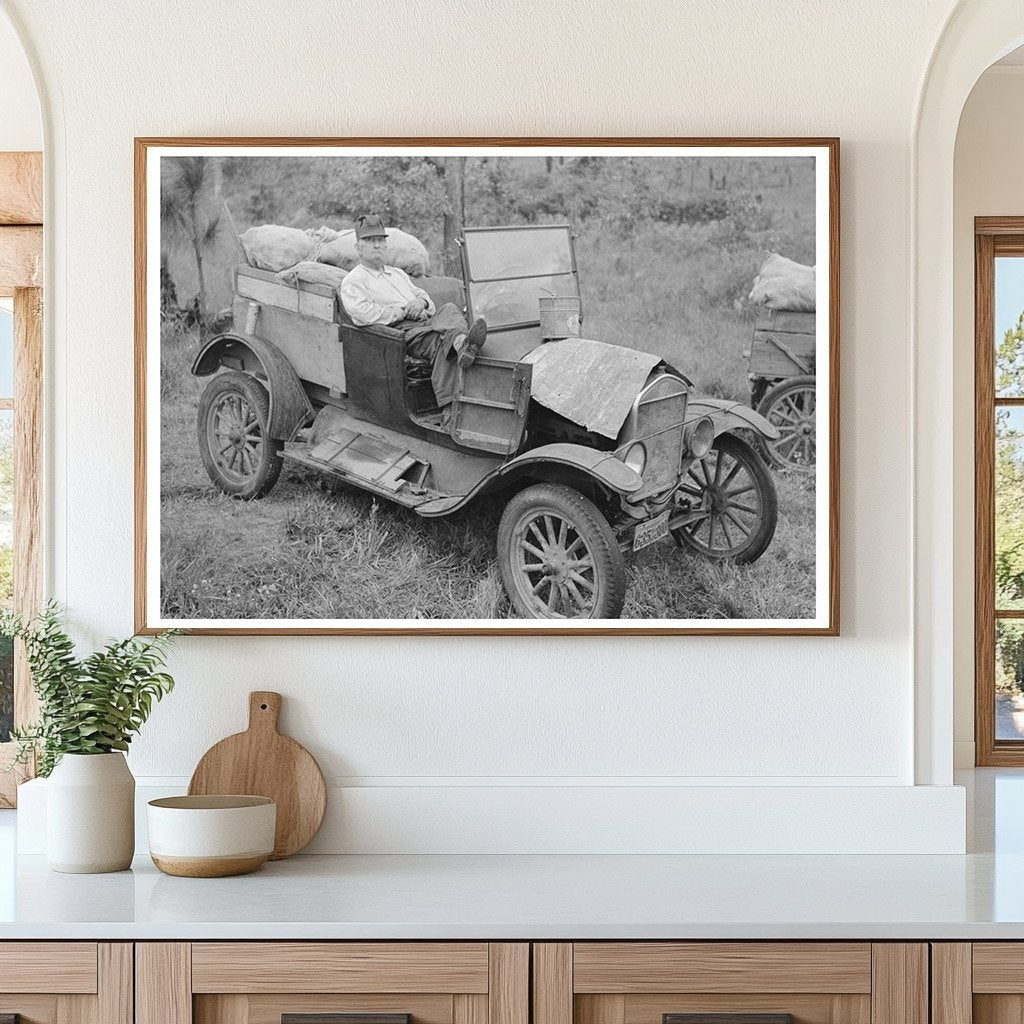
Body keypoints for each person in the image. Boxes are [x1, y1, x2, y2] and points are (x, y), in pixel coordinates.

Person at [339, 214, 486, 408]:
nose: (377, 245)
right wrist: (402, 312)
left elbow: (424, 296)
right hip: (398, 333)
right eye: (370, 240)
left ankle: (462, 343)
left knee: (449, 309)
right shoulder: (354, 280)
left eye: (380, 240)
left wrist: (420, 303)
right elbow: (362, 314)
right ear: (358, 248)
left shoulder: (397, 273)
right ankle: (450, 408)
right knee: (442, 343)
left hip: (424, 321)